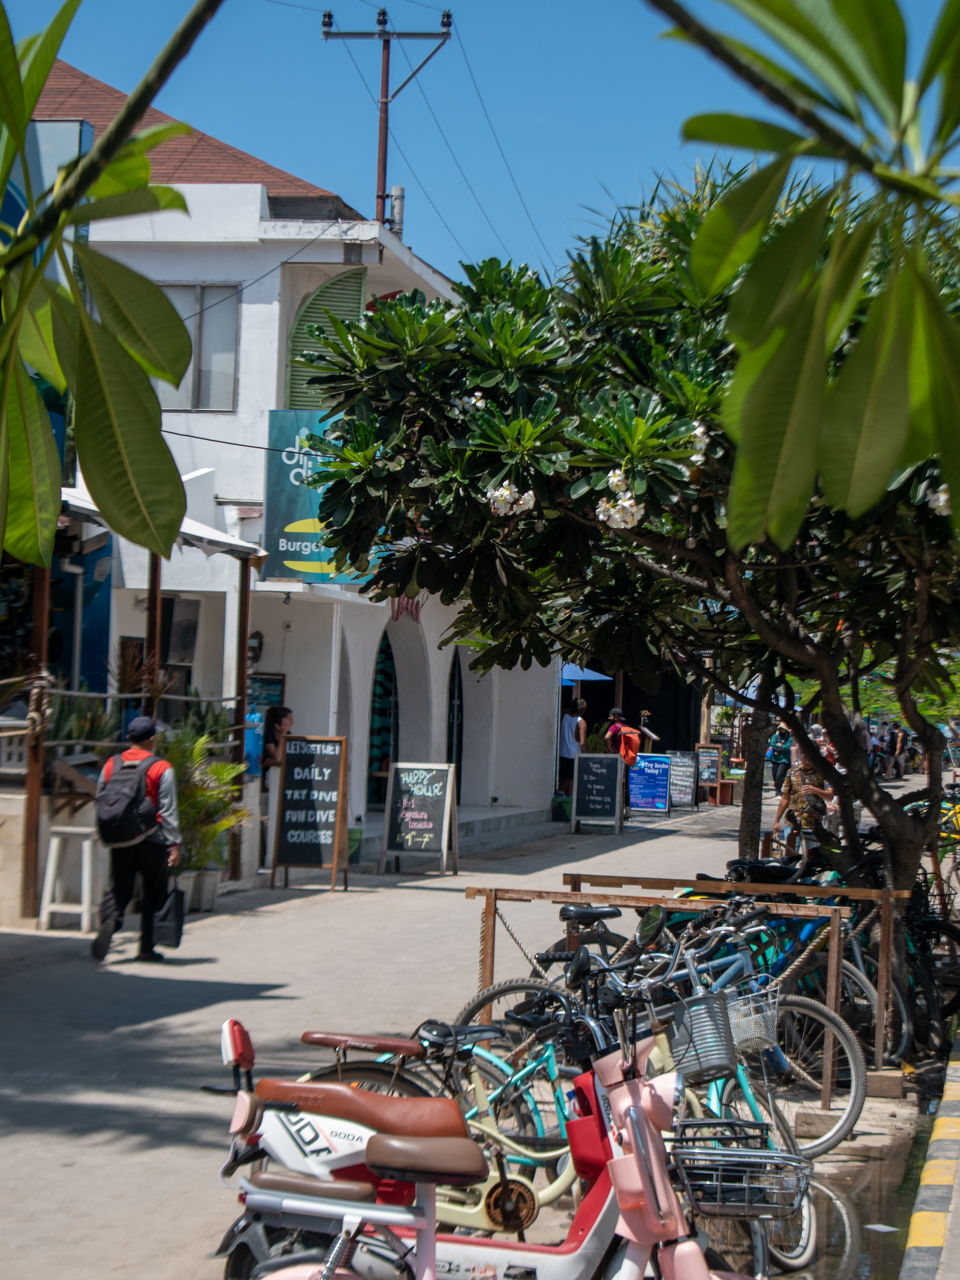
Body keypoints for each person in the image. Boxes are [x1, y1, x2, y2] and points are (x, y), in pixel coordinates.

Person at [91, 716, 181, 962]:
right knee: (153, 892)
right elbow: (168, 809)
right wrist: (173, 844)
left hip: (121, 838)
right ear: (152, 739)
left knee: (119, 888)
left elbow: (101, 799)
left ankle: (110, 923)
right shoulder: (161, 767)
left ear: (129, 739)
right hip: (152, 840)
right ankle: (145, 948)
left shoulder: (111, 764)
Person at [773, 753, 834, 845]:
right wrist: (777, 821)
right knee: (792, 855)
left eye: (810, 757)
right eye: (805, 756)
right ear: (800, 755)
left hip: (813, 823)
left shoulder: (822, 773)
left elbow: (830, 795)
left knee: (812, 855)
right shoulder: (792, 772)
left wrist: (816, 791)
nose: (807, 761)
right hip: (792, 822)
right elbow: (785, 798)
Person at [558, 698, 587, 796]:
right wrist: (585, 756)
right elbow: (582, 743)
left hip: (562, 752)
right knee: (571, 779)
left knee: (562, 778)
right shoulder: (581, 722)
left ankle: (560, 797)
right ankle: (570, 800)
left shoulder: (564, 717)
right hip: (573, 754)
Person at [769, 725, 792, 794]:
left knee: (780, 775)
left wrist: (780, 746)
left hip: (784, 759)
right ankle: (777, 788)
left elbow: (787, 747)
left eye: (783, 729)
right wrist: (778, 746)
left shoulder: (789, 737)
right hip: (775, 758)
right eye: (780, 729)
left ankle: (779, 791)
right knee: (775, 775)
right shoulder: (775, 735)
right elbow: (772, 744)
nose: (781, 730)